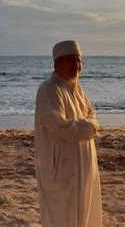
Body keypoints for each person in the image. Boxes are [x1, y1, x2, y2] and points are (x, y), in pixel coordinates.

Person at [34, 40, 102, 227]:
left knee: (85, 207)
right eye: (71, 61)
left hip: (84, 160)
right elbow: (57, 125)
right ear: (57, 64)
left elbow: (92, 114)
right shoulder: (49, 88)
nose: (77, 66)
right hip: (61, 164)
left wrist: (90, 124)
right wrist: (90, 128)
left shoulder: (77, 89)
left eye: (79, 61)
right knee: (62, 213)